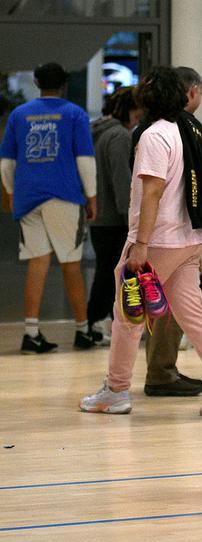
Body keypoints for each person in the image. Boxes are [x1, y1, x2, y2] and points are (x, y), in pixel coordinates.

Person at [79, 66, 202, 416]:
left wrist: (140, 244)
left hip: (157, 240)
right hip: (188, 238)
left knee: (126, 316)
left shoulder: (155, 135)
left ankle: (116, 389)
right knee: (192, 314)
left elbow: (152, 191)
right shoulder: (185, 131)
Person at [0, 62, 98, 354]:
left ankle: (31, 333)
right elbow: (85, 161)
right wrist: (92, 197)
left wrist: (9, 192)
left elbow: (6, 162)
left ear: (36, 81)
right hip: (64, 196)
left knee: (37, 262)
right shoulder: (73, 114)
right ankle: (82, 330)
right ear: (65, 84)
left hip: (28, 197)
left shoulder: (19, 114)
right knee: (70, 263)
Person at [142, 66, 202, 397]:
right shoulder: (183, 128)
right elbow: (193, 187)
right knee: (158, 309)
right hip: (171, 234)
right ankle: (157, 373)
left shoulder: (152, 128)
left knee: (176, 308)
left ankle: (161, 371)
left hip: (163, 233)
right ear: (192, 92)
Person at [87, 87, 142, 346]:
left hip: (99, 217)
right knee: (112, 274)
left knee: (104, 270)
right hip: (115, 218)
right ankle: (98, 323)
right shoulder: (119, 136)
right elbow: (122, 181)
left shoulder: (96, 131)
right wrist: (132, 221)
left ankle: (95, 323)